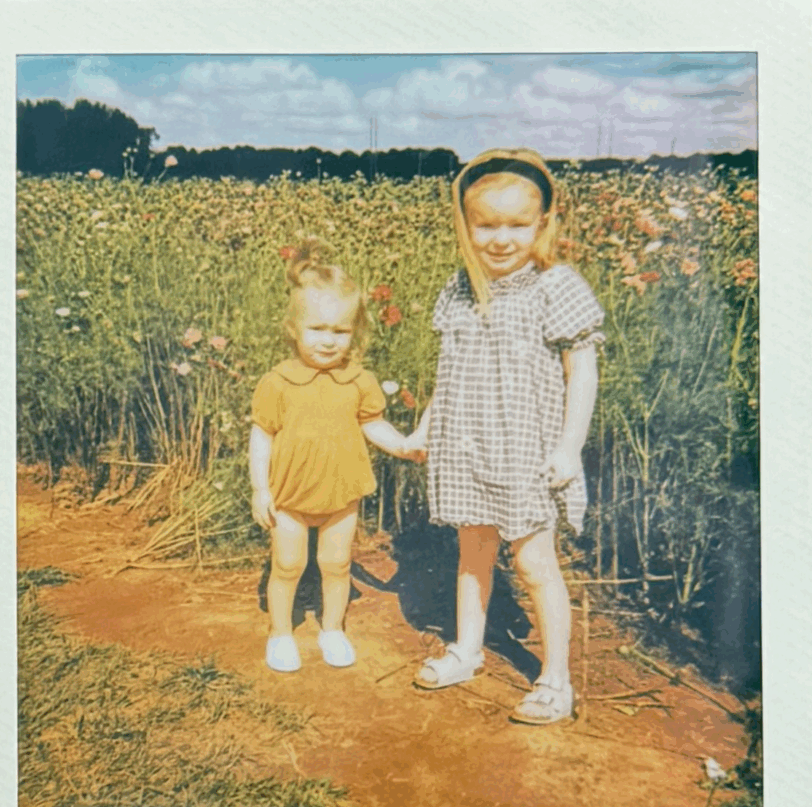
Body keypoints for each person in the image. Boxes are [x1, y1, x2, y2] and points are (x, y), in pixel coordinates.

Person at [405, 149, 604, 725]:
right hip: (467, 445)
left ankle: (555, 680)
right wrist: (426, 426)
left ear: (542, 224)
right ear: (465, 226)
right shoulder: (461, 289)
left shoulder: (554, 286)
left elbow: (582, 371)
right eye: (486, 224)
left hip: (525, 451)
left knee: (535, 563)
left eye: (517, 224)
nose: (500, 238)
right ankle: (468, 651)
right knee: (473, 552)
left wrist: (569, 446)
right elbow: (453, 369)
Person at [250, 241, 421, 673]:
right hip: (288, 496)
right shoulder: (278, 382)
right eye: (318, 329)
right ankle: (281, 633)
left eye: (340, 332)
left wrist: (400, 444)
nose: (328, 341)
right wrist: (259, 488)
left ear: (355, 333)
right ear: (294, 328)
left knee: (336, 564)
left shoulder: (358, 381)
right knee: (288, 565)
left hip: (342, 494)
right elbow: (262, 436)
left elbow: (371, 423)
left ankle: (332, 629)